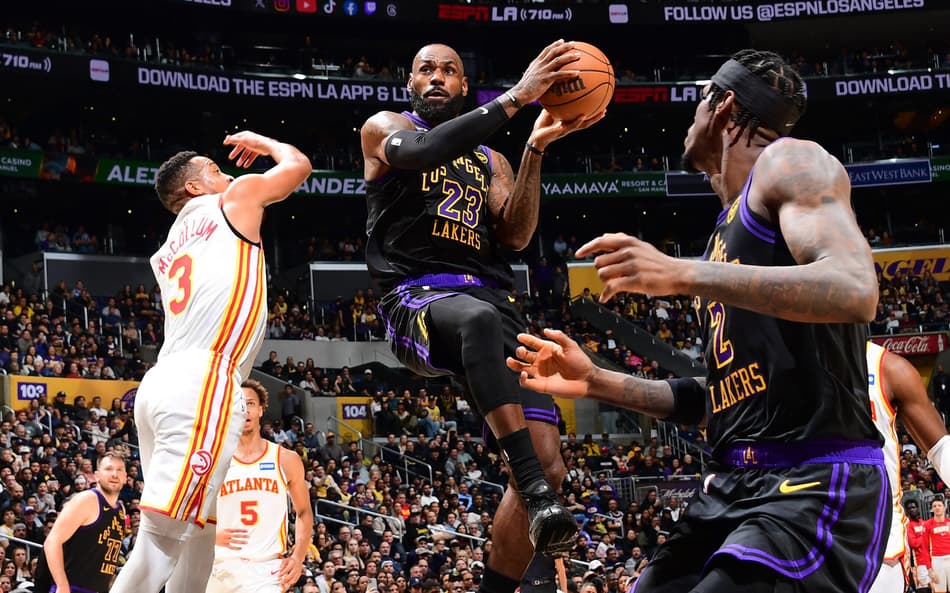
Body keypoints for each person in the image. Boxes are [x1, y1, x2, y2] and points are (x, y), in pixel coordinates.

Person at [507, 50, 888, 593]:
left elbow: (856, 288)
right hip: (735, 484)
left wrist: (682, 273)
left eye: (697, 106)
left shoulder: (791, 161)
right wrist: (596, 380)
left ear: (724, 107)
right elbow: (724, 398)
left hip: (813, 480)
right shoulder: (725, 231)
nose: (690, 121)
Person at [360, 40, 603, 593]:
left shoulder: (492, 160)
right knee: (478, 323)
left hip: (493, 299)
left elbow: (515, 236)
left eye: (449, 70)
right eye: (426, 69)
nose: (437, 77)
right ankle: (536, 494)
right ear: (410, 82)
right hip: (416, 296)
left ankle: (502, 572)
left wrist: (534, 150)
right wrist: (518, 96)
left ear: (464, 85)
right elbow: (423, 152)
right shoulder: (385, 127)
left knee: (551, 464)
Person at [110, 131, 312, 593]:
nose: (230, 174)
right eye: (216, 170)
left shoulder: (169, 247)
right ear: (194, 187)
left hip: (163, 382)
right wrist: (265, 144)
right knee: (161, 539)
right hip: (205, 379)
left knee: (199, 533)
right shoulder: (233, 200)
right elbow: (298, 166)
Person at [207, 379, 314, 593]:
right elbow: (189, 511)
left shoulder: (285, 458)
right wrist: (211, 535)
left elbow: (304, 512)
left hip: (267, 567)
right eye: (239, 404)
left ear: (261, 409)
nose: (245, 410)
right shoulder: (213, 460)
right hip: (219, 564)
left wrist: (298, 556)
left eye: (250, 403)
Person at [866, 341, 950, 593]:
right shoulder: (777, 359)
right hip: (800, 532)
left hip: (878, 544)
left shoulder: (889, 368)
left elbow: (942, 450)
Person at [32, 452, 127, 593]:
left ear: (125, 477)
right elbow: (52, 541)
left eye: (119, 470)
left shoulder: (120, 510)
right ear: (96, 476)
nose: (114, 474)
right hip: (72, 588)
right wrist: (62, 585)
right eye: (108, 469)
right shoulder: (87, 499)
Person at [907, 500, 932, 591]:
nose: (911, 510)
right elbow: (913, 543)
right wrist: (924, 536)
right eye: (909, 508)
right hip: (919, 563)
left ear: (918, 508)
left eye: (913, 507)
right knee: (924, 589)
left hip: (931, 560)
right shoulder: (909, 526)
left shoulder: (924, 523)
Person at [928, 498, 950, 592]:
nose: (937, 508)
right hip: (937, 560)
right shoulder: (927, 524)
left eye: (939, 505)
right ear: (932, 509)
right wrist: (929, 570)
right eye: (934, 506)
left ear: (944, 508)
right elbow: (924, 548)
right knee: (939, 590)